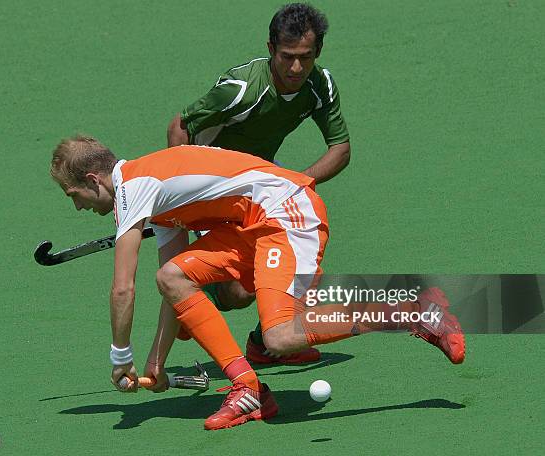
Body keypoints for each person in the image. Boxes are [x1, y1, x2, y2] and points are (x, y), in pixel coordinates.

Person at [49, 136, 465, 430]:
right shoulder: (153, 201)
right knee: (172, 275)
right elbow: (172, 289)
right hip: (252, 225)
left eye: (73, 196)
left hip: (285, 213)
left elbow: (123, 288)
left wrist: (121, 355)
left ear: (93, 180)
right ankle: (248, 389)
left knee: (280, 337)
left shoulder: (134, 190)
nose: (79, 207)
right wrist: (156, 361)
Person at [167, 3, 351, 365]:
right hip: (213, 186)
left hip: (262, 182)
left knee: (303, 260)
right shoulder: (240, 90)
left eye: (305, 57)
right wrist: (182, 198)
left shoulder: (320, 84)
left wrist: (298, 184)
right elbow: (179, 127)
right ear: (270, 49)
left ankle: (263, 344)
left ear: (318, 52)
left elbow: (340, 149)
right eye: (287, 57)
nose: (296, 68)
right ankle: (197, 294)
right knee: (237, 293)